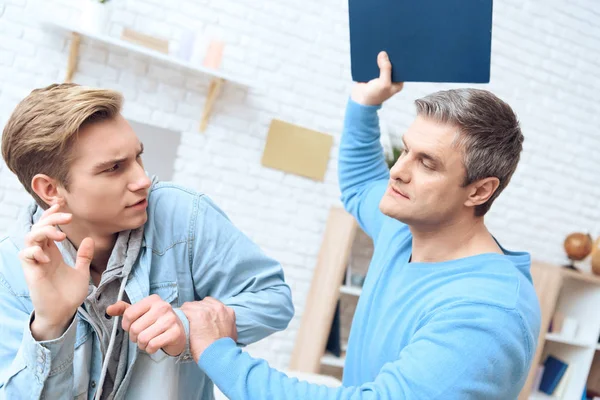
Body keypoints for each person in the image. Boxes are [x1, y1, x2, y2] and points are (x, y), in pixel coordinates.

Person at [168, 52, 542, 399]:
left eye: (427, 163)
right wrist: (366, 103)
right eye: (406, 150)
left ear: (479, 191)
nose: (397, 171)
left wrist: (218, 353)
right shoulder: (406, 230)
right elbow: (363, 183)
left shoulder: (488, 310)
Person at [0, 83, 294, 400]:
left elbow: (272, 297)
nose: (142, 180)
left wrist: (187, 327)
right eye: (113, 168)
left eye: (137, 157)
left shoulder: (183, 215)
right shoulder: (10, 270)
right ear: (50, 190)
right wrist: (49, 326)